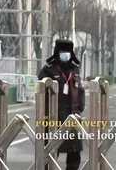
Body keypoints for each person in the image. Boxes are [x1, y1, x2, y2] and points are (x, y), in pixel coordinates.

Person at [38, 39, 85, 170]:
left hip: (73, 117)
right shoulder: (48, 71)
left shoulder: (75, 70)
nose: (66, 54)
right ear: (57, 52)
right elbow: (41, 90)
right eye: (63, 51)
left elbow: (80, 90)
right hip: (54, 117)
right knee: (50, 152)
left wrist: (79, 108)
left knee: (74, 154)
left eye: (68, 52)